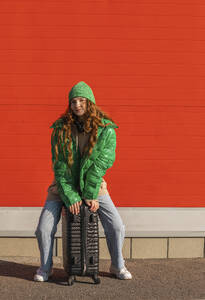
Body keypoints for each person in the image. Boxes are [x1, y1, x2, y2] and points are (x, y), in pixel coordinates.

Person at [34, 81, 132, 281]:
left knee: (116, 226)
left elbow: (103, 162)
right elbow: (60, 166)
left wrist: (89, 194)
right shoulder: (61, 129)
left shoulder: (106, 129)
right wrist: (70, 196)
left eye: (81, 100)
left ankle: (117, 265)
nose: (77, 105)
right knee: (43, 228)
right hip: (64, 185)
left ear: (90, 102)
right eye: (73, 101)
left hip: (93, 184)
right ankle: (46, 268)